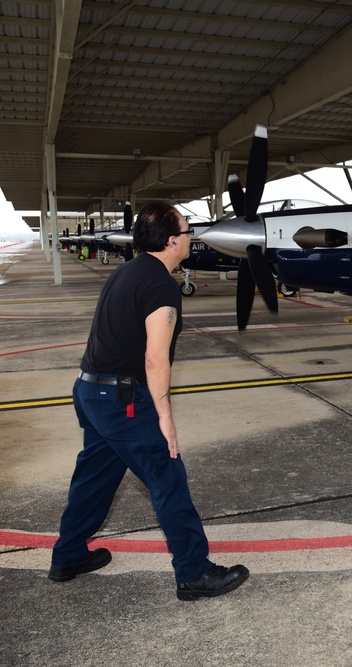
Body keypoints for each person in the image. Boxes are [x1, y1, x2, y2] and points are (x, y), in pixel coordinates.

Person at [49, 201, 249, 602]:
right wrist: (165, 416)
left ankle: (68, 555)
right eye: (189, 231)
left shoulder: (126, 271)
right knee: (167, 478)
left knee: (94, 478)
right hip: (121, 398)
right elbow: (155, 358)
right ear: (173, 241)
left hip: (90, 390)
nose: (193, 237)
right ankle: (193, 572)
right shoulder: (160, 286)